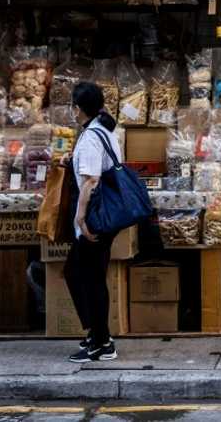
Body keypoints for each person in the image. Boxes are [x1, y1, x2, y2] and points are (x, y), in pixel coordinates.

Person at [64, 81, 123, 363]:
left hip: (94, 218)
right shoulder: (106, 131)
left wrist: (80, 218)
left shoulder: (89, 137)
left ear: (78, 109)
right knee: (80, 272)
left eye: (73, 106)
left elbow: (91, 180)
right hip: (106, 215)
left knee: (89, 277)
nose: (72, 110)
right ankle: (96, 333)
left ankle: (102, 342)